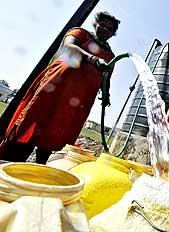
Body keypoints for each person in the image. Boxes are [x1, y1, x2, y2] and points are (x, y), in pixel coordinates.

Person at [0, 11, 120, 164]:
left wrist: (106, 94)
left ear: (112, 34)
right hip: (55, 86)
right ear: (95, 24)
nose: (105, 29)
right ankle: (8, 161)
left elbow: (106, 77)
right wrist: (92, 58)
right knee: (34, 119)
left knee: (57, 130)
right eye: (102, 24)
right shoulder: (80, 33)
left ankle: (40, 167)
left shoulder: (110, 56)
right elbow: (69, 46)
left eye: (109, 29)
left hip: (79, 98)